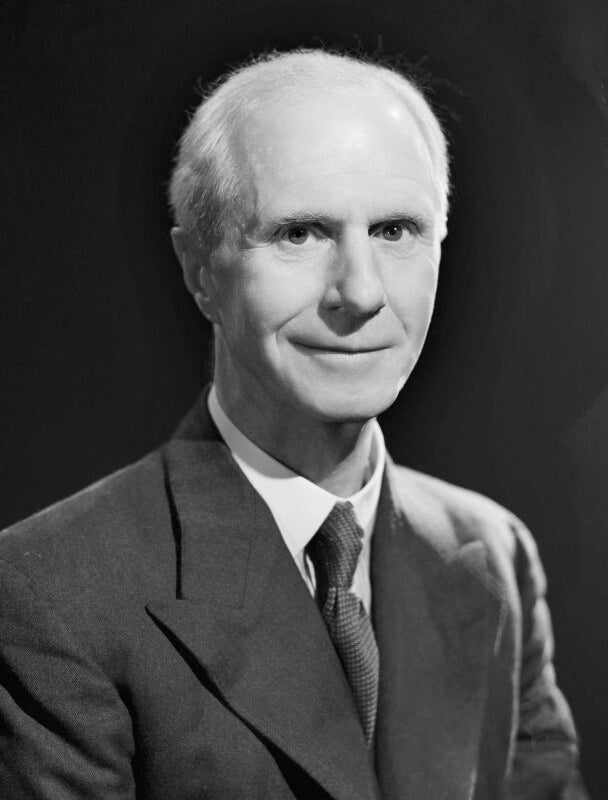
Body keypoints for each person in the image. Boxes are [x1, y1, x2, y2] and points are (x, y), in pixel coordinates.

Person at [0, 49, 587, 800]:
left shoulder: (495, 553)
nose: (361, 292)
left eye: (396, 229)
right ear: (199, 269)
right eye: (301, 233)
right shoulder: (50, 592)